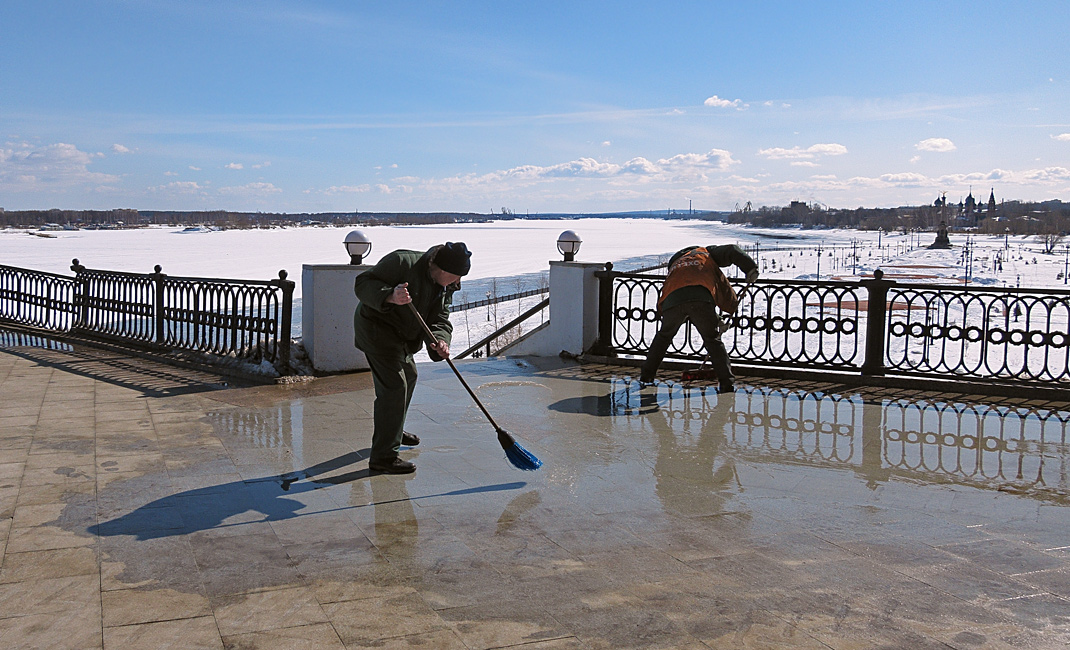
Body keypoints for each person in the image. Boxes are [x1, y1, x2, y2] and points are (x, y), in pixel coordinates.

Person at [353, 242, 472, 474]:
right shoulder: (402, 262)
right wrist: (390, 295)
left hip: (403, 338)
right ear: (443, 269)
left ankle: (393, 430)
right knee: (395, 387)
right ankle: (383, 457)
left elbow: (440, 318)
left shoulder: (445, 286)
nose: (458, 283)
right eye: (456, 277)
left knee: (410, 375)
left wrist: (440, 340)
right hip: (377, 330)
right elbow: (363, 283)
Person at [639, 244, 758, 393]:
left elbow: (687, 290)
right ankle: (726, 382)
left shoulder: (677, 263)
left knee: (664, 336)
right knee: (712, 340)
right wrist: (750, 268)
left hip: (672, 299)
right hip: (701, 300)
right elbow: (732, 251)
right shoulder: (706, 252)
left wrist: (717, 319)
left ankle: (646, 376)